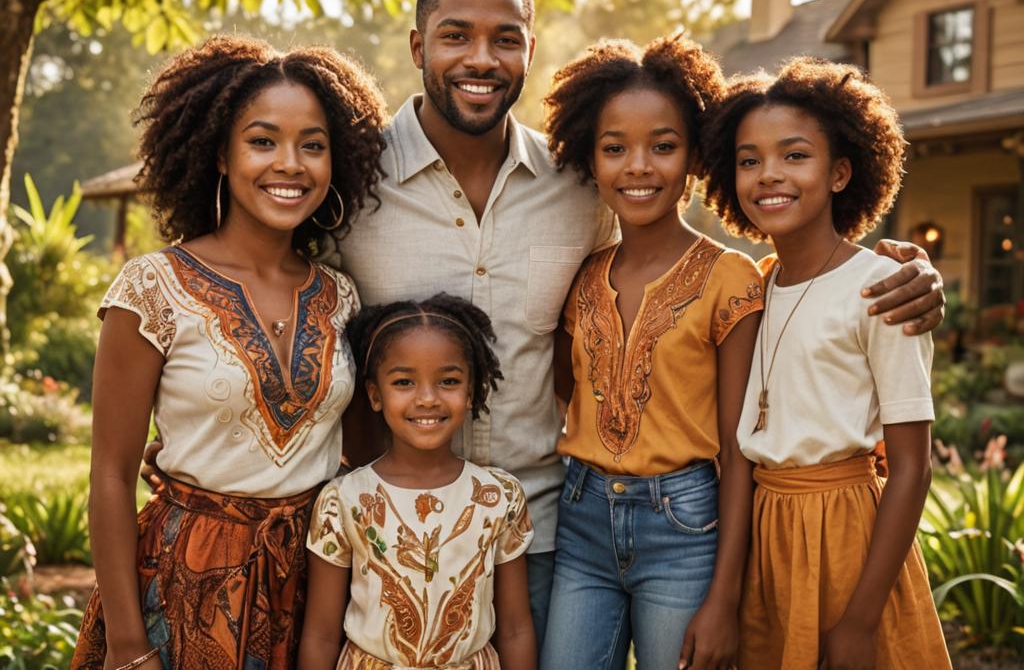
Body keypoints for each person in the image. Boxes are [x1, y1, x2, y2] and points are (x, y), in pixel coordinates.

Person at [319, 0, 948, 650]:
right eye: (455, 34)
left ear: (530, 48)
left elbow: (736, 322)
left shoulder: (575, 187)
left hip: (550, 526)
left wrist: (898, 262)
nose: (481, 57)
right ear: (418, 46)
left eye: (504, 38)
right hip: (395, 526)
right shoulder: (347, 179)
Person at [71, 36, 388, 670]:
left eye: (313, 145)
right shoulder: (152, 288)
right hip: (184, 584)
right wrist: (131, 647)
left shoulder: (341, 295)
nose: (290, 164)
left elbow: (360, 456)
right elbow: (109, 475)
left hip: (317, 586)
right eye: (263, 141)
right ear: (221, 153)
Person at [701, 59, 952, 669]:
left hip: (845, 535)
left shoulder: (885, 288)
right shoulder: (754, 287)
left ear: (841, 172)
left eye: (795, 156)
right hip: (764, 531)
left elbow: (912, 467)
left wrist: (861, 620)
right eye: (749, 160)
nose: (769, 176)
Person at [538, 35, 760, 670]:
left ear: (694, 155)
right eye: (615, 149)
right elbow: (565, 384)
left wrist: (724, 596)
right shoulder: (581, 276)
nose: (638, 166)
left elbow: (739, 448)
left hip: (685, 528)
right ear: (590, 158)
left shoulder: (730, 279)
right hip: (579, 521)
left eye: (663, 146)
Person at [299, 294, 536, 670]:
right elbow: (321, 633)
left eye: (448, 381)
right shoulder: (344, 500)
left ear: (471, 392)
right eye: (404, 382)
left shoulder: (498, 497)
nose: (427, 398)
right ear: (375, 395)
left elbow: (515, 628)